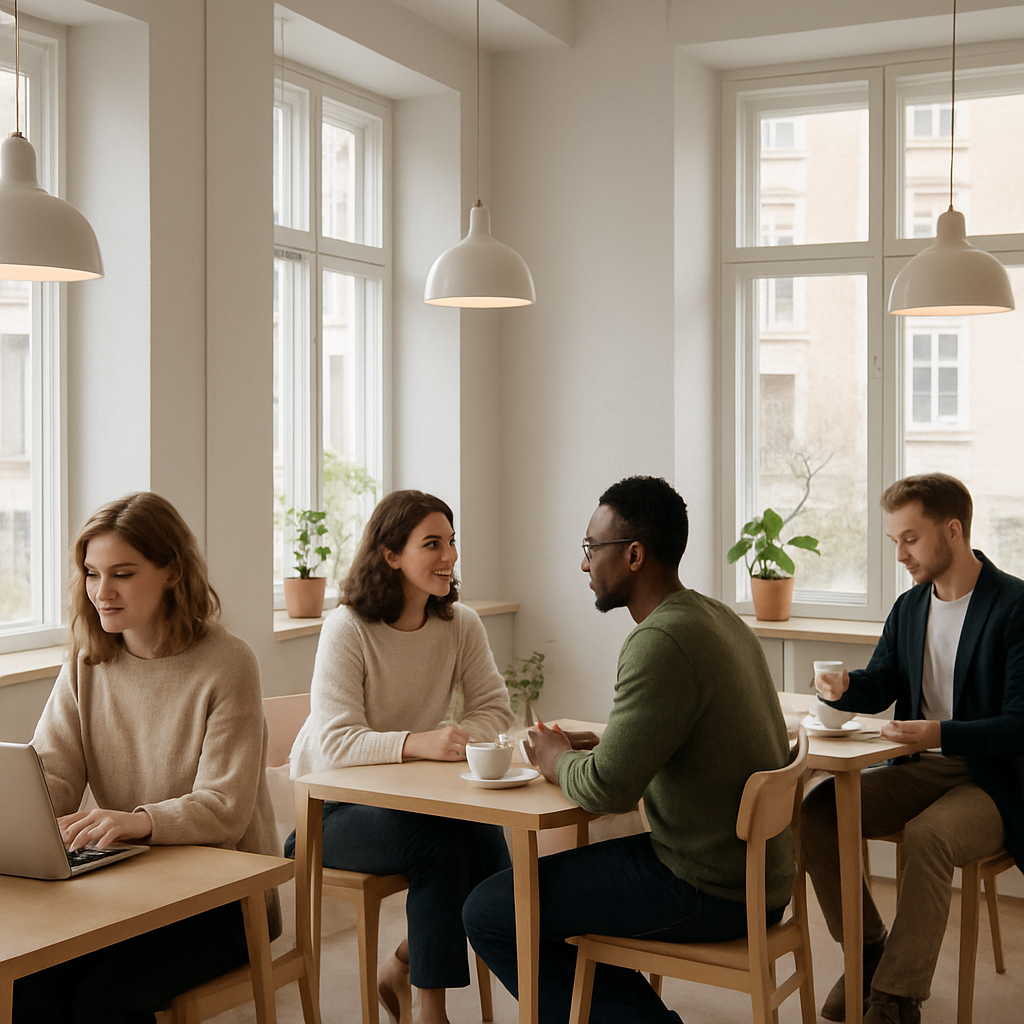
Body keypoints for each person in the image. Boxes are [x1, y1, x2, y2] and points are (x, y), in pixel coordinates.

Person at [463, 475, 795, 1024]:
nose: (584, 564)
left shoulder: (659, 640)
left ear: (635, 554)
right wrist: (606, 743)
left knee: (493, 910)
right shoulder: (715, 617)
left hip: (707, 885)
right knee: (533, 905)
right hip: (759, 875)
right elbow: (683, 735)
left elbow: (607, 791)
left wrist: (551, 758)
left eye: (592, 548)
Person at [13, 492, 281, 1024]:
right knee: (29, 985)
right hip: (127, 890)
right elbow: (52, 777)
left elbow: (225, 807)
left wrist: (136, 821)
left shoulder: (228, 663)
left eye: (123, 574)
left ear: (172, 572)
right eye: (91, 573)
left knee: (101, 998)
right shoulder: (86, 661)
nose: (101, 592)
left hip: (228, 901)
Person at [286, 489, 514, 1024]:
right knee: (437, 847)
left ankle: (407, 966)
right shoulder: (348, 628)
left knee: (483, 835)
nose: (449, 556)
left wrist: (458, 737)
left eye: (452, 542)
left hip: (405, 802)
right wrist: (419, 743)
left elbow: (494, 707)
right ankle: (429, 1009)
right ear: (391, 554)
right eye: (431, 543)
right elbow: (337, 743)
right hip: (327, 813)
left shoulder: (461, 626)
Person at [803, 472, 1024, 1024]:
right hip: (918, 771)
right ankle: (869, 948)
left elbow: (1019, 726)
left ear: (953, 530)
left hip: (989, 780)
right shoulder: (909, 607)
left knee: (928, 837)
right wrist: (848, 687)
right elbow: (882, 682)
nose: (900, 553)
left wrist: (940, 733)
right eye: (893, 541)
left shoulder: (1015, 606)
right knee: (816, 811)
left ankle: (896, 998)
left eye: (910, 538)